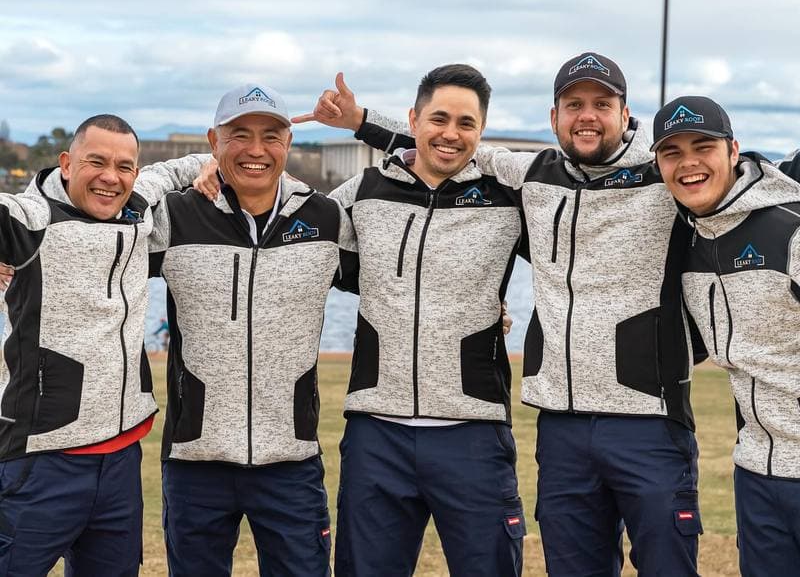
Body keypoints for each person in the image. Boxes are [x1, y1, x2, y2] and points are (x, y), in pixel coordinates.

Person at [298, 54, 705, 576]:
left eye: (602, 104)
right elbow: (440, 148)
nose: (587, 116)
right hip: (504, 427)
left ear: (626, 115)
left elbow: (720, 181)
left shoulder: (655, 176)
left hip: (615, 422)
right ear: (554, 116)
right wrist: (360, 122)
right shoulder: (521, 177)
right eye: (574, 104)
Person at [291, 64, 527, 576]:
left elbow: (574, 206)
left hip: (474, 432)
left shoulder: (507, 197)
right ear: (413, 119)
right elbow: (284, 231)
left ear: (482, 132)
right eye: (438, 118)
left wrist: (363, 122)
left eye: (466, 123)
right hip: (377, 433)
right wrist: (213, 172)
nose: (451, 133)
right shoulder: (364, 191)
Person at [149, 84, 358, 576]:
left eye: (271, 136)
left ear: (289, 143)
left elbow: (401, 285)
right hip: (195, 461)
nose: (256, 150)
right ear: (214, 141)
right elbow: (98, 241)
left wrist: (483, 304)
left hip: (291, 461)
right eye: (239, 135)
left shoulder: (326, 219)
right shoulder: (176, 215)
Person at [0, 115, 205, 576]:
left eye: (124, 166)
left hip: (121, 460)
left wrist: (210, 165)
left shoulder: (137, 205)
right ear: (67, 163)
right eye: (96, 162)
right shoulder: (30, 220)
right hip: (41, 459)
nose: (111, 177)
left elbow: (173, 170)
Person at [652, 95, 800, 577]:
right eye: (672, 152)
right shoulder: (689, 240)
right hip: (756, 474)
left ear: (734, 150)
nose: (688, 163)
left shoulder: (791, 228)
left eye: (703, 147)